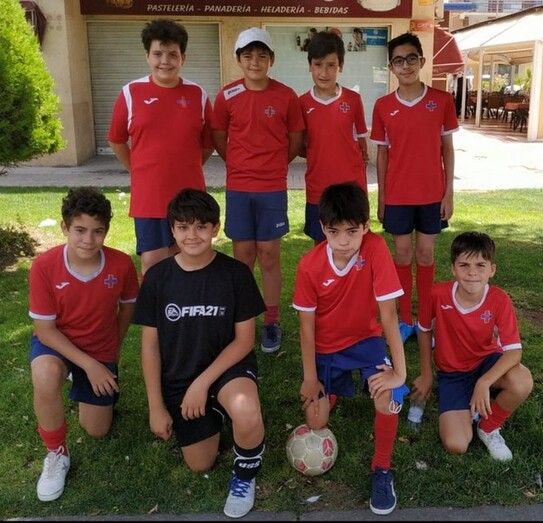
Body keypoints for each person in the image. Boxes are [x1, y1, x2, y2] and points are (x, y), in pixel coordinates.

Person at [134, 189, 267, 519]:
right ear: (172, 230)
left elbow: (244, 342)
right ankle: (216, 413)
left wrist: (203, 383)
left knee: (246, 412)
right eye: (183, 227)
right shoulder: (157, 278)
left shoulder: (236, 274)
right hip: (180, 375)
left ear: (215, 228)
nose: (192, 235)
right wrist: (156, 407)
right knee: (199, 463)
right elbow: (150, 346)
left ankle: (245, 474)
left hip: (227, 369)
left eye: (201, 226)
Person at [292, 182, 408, 515]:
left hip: (365, 341)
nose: (344, 241)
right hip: (326, 347)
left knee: (388, 397)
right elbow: (306, 327)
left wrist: (399, 373)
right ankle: (332, 388)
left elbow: (389, 315)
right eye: (334, 232)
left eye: (352, 231)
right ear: (322, 228)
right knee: (316, 421)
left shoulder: (375, 248)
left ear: (366, 226)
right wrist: (310, 377)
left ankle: (381, 469)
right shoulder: (309, 266)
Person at [28, 187, 139, 502]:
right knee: (45, 375)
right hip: (56, 343)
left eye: (97, 231)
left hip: (99, 347)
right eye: (79, 230)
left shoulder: (121, 265)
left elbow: (127, 307)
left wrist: (112, 350)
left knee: (97, 430)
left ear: (106, 231)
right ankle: (56, 453)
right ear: (65, 227)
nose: (88, 240)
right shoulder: (44, 266)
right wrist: (89, 365)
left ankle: (89, 383)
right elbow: (45, 331)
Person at [212, 27, 304, 353]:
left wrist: (272, 164)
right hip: (239, 187)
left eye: (262, 55)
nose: (255, 61)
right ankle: (244, 320)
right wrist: (239, 164)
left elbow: (295, 140)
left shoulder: (286, 96)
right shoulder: (227, 96)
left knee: (268, 254)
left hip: (271, 188)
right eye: (248, 55)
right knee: (243, 256)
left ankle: (271, 321)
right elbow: (219, 137)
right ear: (239, 59)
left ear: (271, 60)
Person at [370, 32, 458, 344]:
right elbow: (382, 154)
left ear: (421, 61)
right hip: (398, 196)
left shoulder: (442, 101)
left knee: (425, 253)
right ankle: (405, 318)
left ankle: (425, 320)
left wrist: (449, 192)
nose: (405, 65)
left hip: (432, 194)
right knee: (403, 254)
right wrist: (382, 198)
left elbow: (447, 148)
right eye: (398, 61)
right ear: (391, 67)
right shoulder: (383, 106)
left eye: (410, 59)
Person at [413, 231, 533, 461]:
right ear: (453, 268)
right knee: (456, 444)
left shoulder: (499, 299)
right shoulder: (437, 294)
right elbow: (424, 330)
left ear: (492, 270)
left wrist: (484, 381)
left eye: (480, 265)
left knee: (522, 380)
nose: (472, 272)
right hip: (453, 373)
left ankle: (488, 426)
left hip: (487, 363)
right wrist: (427, 374)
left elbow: (513, 351)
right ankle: (471, 406)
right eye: (464, 265)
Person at [108, 19, 214, 276]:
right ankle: (153, 306)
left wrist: (185, 167)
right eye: (158, 54)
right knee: (152, 265)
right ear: (147, 55)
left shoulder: (198, 95)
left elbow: (208, 144)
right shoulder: (130, 93)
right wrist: (138, 169)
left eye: (172, 54)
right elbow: (116, 139)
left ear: (183, 58)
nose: (165, 61)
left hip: (190, 198)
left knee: (190, 262)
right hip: (149, 198)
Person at [300, 29, 369, 244]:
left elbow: (361, 143)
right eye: (318, 64)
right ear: (310, 65)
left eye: (331, 65)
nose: (324, 72)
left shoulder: (353, 100)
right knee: (321, 245)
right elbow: (300, 145)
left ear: (341, 66)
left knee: (353, 245)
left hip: (351, 189)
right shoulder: (301, 103)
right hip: (318, 189)